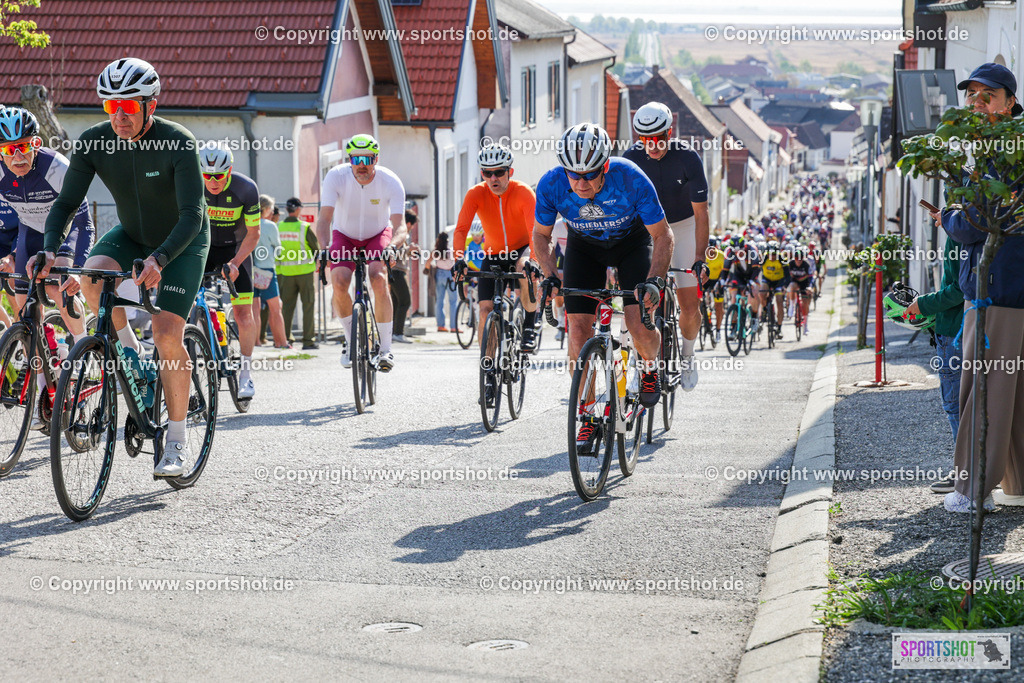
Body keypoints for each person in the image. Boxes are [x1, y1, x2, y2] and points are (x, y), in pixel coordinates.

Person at [38, 57, 210, 477]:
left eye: (128, 108)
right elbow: (65, 203)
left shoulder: (178, 141)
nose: (118, 117)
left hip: (182, 242)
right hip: (133, 233)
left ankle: (176, 441)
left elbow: (191, 213)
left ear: (151, 104)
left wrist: (160, 258)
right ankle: (129, 354)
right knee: (92, 275)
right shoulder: (95, 141)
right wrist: (47, 250)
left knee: (168, 334)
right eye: (109, 107)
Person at [533, 123, 673, 452]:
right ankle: (590, 413)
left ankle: (651, 366)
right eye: (574, 175)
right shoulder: (552, 183)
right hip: (585, 249)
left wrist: (654, 280)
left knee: (639, 325)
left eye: (589, 175)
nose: (580, 183)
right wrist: (550, 273)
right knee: (578, 332)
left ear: (605, 167)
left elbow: (663, 235)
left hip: (631, 245)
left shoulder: (631, 178)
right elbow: (541, 236)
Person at [934, 62, 1024, 513]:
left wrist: (949, 215)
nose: (976, 103)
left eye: (986, 96)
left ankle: (971, 492)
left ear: (1009, 102)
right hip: (1007, 290)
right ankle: (1018, 486)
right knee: (1013, 393)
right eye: (971, 96)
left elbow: (971, 224)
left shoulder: (1002, 153)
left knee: (983, 391)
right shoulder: (1004, 149)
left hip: (997, 293)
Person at [624, 102, 708, 390]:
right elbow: (622, 211)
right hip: (647, 230)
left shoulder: (688, 158)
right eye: (646, 140)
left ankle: (687, 356)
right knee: (636, 303)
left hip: (683, 226)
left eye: (659, 138)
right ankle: (643, 366)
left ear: (669, 132)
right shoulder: (630, 159)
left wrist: (699, 258)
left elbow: (701, 213)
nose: (653, 145)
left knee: (688, 304)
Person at [0, 107, 93, 341]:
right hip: (30, 232)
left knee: (59, 289)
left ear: (36, 143)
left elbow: (83, 221)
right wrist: (10, 254)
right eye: (10, 150)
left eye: (24, 147)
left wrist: (77, 270)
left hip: (67, 230)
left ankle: (84, 351)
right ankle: (42, 372)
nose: (18, 157)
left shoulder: (56, 168)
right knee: (22, 305)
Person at [316, 134, 406, 371]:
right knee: (339, 281)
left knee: (378, 277)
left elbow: (400, 225)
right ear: (350, 159)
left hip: (378, 234)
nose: (361, 165)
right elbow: (324, 220)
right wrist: (324, 249)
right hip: (344, 234)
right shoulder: (336, 176)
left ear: (376, 159)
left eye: (367, 158)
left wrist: (393, 246)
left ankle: (386, 350)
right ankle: (350, 339)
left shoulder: (390, 181)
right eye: (356, 158)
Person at [452, 143, 539, 349]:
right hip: (493, 254)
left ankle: (528, 327)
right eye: (487, 173)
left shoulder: (524, 193)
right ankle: (488, 365)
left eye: (499, 172)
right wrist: (459, 258)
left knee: (526, 267)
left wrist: (535, 260)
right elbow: (461, 229)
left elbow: (534, 231)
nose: (493, 178)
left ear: (510, 171)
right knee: (485, 311)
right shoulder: (475, 194)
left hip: (521, 249)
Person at [199, 146, 260, 398]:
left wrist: (235, 263)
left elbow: (254, 233)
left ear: (229, 171)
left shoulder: (245, 189)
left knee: (243, 312)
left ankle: (246, 374)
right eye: (207, 176)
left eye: (219, 176)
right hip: (204, 246)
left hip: (237, 249)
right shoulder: (191, 183)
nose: (213, 182)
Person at [906, 234, 963, 494]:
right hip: (971, 329)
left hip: (954, 332)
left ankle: (964, 474)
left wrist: (923, 304)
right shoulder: (990, 227)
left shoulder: (961, 235)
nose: (936, 218)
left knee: (955, 405)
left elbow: (960, 289)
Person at [276, 197, 320, 349]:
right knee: (308, 305)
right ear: (298, 209)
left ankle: (286, 339)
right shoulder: (304, 227)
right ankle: (308, 341)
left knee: (287, 307)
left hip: (286, 273)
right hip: (305, 272)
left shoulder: (278, 227)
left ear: (288, 210)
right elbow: (316, 249)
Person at [251, 194, 290, 349]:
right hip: (267, 270)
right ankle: (282, 342)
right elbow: (278, 249)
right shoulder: (269, 225)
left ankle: (255, 342)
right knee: (275, 308)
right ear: (267, 209)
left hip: (250, 270)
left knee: (254, 309)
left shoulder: (249, 223)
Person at [388, 210, 416, 343]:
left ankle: (393, 332)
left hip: (395, 271)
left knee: (396, 302)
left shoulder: (397, 232)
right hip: (397, 272)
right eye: (412, 225)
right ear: (409, 223)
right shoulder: (399, 234)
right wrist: (408, 250)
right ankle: (398, 333)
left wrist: (409, 252)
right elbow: (395, 253)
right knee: (405, 301)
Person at [424, 228, 458, 332]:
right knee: (453, 301)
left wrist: (427, 270)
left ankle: (440, 325)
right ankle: (453, 326)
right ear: (448, 240)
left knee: (439, 301)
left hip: (439, 275)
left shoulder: (436, 252)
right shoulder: (451, 251)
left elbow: (427, 263)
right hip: (450, 275)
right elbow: (456, 262)